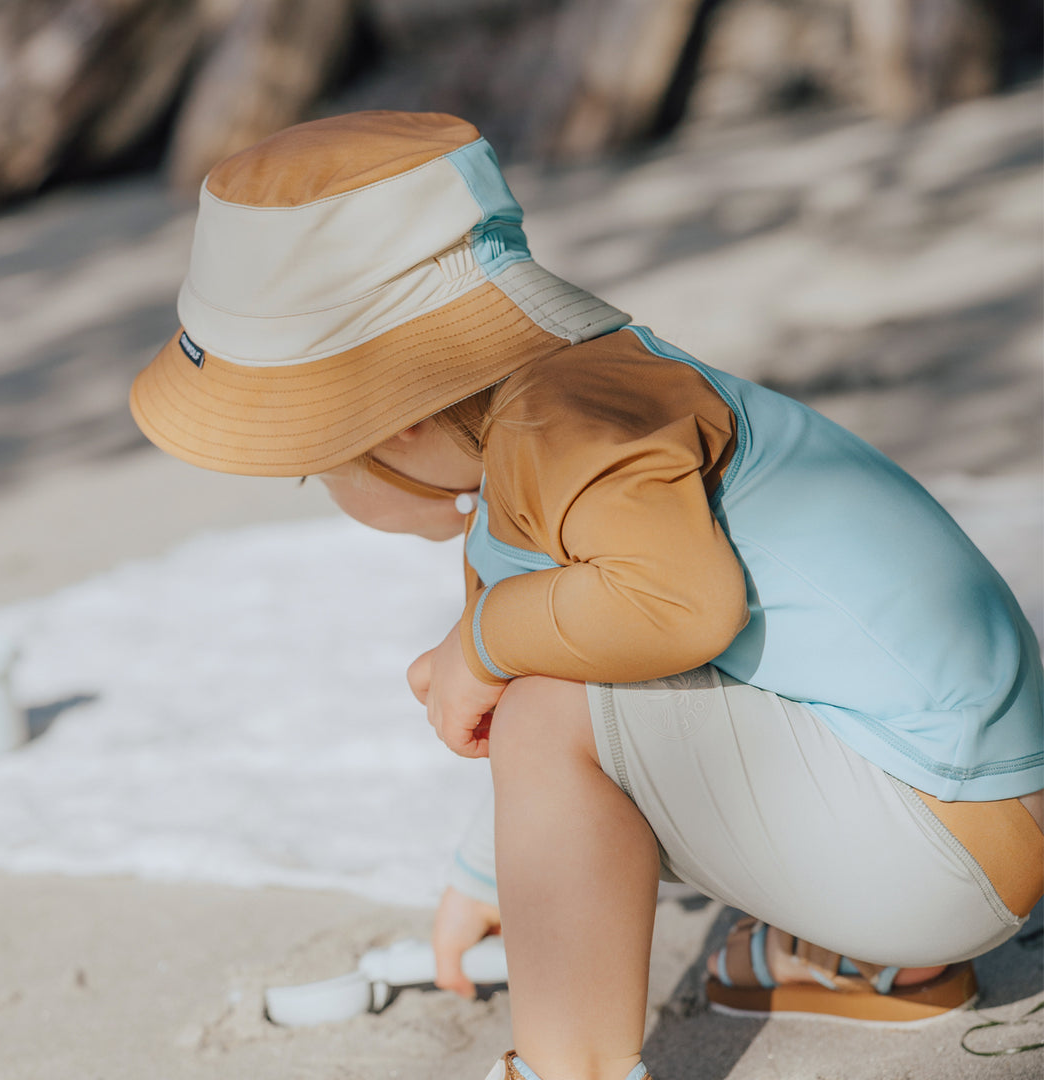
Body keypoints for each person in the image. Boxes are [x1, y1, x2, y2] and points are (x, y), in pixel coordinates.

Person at [129, 110, 1043, 1080]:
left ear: (392, 427)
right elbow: (580, 687)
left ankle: (573, 1069)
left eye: (310, 468)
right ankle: (874, 967)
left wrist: (480, 640)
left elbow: (679, 609)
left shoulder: (573, 431)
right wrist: (494, 875)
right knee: (555, 694)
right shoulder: (551, 419)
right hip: (958, 808)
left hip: (944, 848)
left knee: (548, 709)